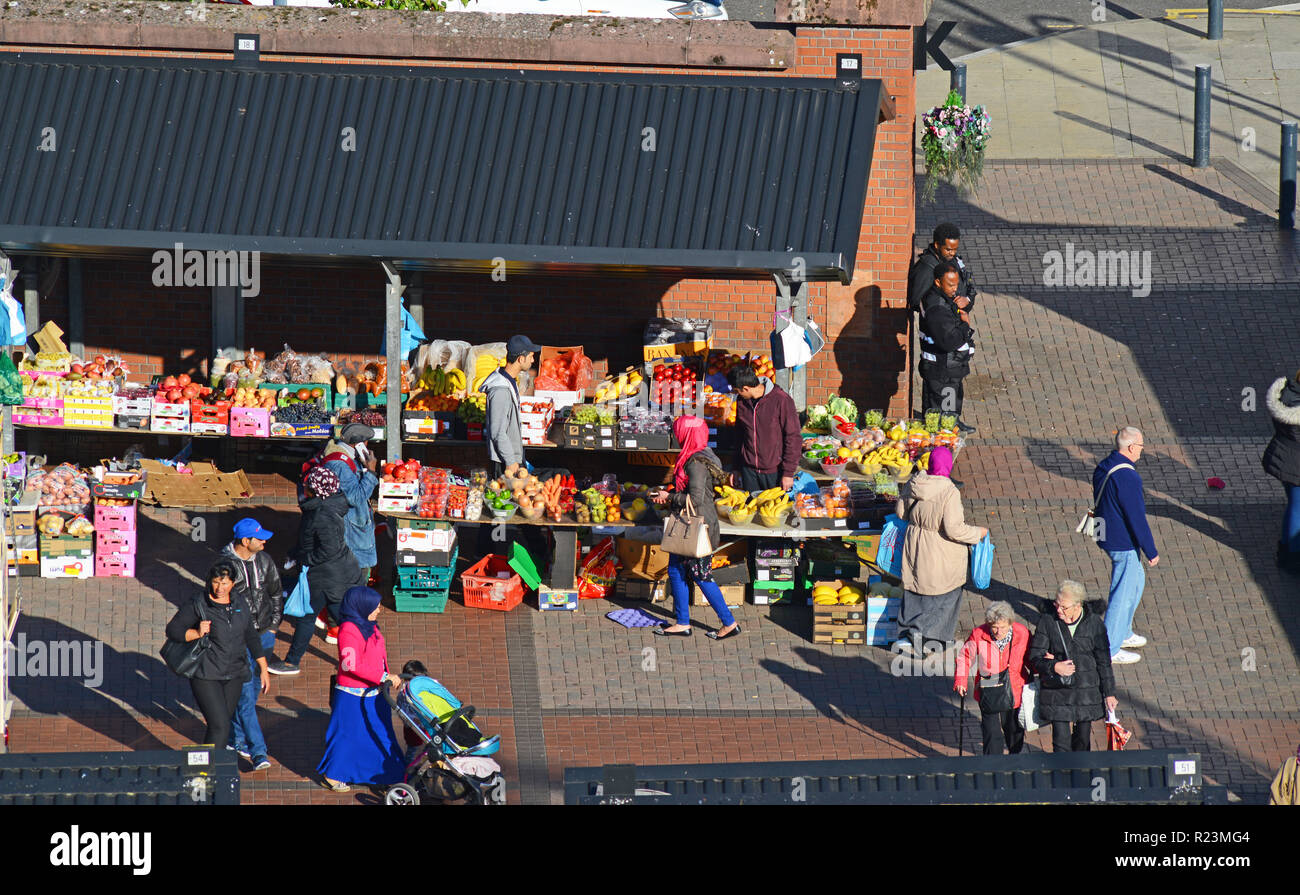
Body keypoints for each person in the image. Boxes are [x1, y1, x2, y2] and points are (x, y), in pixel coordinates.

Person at [268, 467, 366, 675]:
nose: (304, 487)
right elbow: (312, 541)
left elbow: (328, 549)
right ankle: (364, 655)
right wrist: (296, 553)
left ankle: (292, 662)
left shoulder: (322, 514)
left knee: (308, 616)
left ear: (315, 489)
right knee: (344, 619)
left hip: (326, 576)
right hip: (337, 574)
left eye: (307, 485)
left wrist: (305, 560)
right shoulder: (325, 508)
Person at [649, 415, 740, 640]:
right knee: (676, 570)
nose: (676, 436)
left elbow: (696, 498)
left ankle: (729, 622)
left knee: (701, 576)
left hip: (698, 527)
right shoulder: (701, 454)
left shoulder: (695, 462)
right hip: (690, 525)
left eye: (678, 432)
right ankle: (682, 622)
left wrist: (669, 497)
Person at [165, 560, 270, 752]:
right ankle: (207, 772)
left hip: (235, 673)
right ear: (209, 582)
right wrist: (196, 633)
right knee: (220, 725)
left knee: (221, 726)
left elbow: (251, 635)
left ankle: (208, 767)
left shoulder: (240, 602)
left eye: (225, 583)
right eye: (216, 582)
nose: (219, 588)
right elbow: (173, 630)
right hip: (207, 674)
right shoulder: (199, 604)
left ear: (233, 584)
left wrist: (262, 667)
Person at [892, 445, 987, 654]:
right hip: (940, 550)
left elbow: (901, 512)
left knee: (915, 589)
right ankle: (927, 640)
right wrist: (978, 533)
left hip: (915, 545)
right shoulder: (949, 491)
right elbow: (953, 529)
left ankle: (904, 637)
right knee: (944, 594)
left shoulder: (915, 482)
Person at [318, 586, 405, 792]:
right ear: (362, 606)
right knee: (347, 737)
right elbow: (351, 665)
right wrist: (384, 676)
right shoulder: (349, 629)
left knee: (381, 733)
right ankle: (332, 776)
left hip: (375, 692)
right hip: (352, 696)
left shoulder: (370, 625)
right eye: (375, 606)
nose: (379, 609)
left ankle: (389, 774)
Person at [1092, 426, 1159, 665]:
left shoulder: (1105, 465)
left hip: (1106, 533)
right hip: (1123, 541)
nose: (1142, 450)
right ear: (1131, 447)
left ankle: (1124, 632)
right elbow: (1136, 517)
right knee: (1122, 593)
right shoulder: (1128, 476)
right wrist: (1150, 550)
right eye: (1141, 446)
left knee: (1136, 580)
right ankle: (1109, 648)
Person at [221, 517, 282, 771]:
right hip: (240, 639)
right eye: (260, 538)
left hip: (264, 635)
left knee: (253, 688)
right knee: (246, 696)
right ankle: (258, 751)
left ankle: (236, 737)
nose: (265, 541)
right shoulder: (224, 568)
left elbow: (276, 592)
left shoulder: (265, 560)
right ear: (245, 541)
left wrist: (273, 625)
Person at [1027, 580, 1117, 753]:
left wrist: (1109, 693)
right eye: (1056, 605)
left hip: (1086, 692)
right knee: (1060, 744)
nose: (1059, 610)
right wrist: (1054, 666)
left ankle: (1080, 777)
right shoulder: (1048, 621)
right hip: (1057, 692)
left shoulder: (1094, 624)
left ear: (1078, 605)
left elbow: (1103, 661)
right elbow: (1035, 657)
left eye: (1064, 607)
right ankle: (1062, 777)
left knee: (1082, 742)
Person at [954, 601, 1032, 755]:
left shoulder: (1022, 633)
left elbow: (1031, 657)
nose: (998, 631)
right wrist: (961, 681)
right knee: (991, 732)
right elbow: (965, 657)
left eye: (1002, 627)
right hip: (989, 686)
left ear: (1010, 624)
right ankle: (993, 766)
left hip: (1014, 687)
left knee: (1013, 729)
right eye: (994, 627)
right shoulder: (979, 634)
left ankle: (1014, 759)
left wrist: (1043, 671)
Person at [312, 422, 381, 580]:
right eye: (366, 442)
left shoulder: (347, 458)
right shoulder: (339, 464)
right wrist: (371, 471)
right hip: (352, 534)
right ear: (359, 444)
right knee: (356, 581)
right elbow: (355, 497)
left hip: (352, 529)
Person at [917, 262, 976, 433]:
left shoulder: (944, 298)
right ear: (937, 282)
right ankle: (943, 443)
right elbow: (948, 341)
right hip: (942, 370)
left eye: (956, 284)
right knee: (941, 413)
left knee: (951, 405)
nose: (954, 289)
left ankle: (953, 423)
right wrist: (965, 326)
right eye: (950, 285)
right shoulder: (936, 307)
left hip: (950, 368)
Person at [727, 363, 801, 492]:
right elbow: (739, 435)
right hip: (749, 471)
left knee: (773, 511)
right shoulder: (741, 402)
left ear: (745, 388)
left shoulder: (781, 400)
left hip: (774, 471)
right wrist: (736, 467)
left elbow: (793, 437)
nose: (736, 394)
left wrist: (788, 473)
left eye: (736, 391)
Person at [482, 334, 540, 479]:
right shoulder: (500, 390)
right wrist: (510, 460)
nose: (533, 360)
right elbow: (498, 432)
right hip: (505, 463)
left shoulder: (509, 381)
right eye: (531, 356)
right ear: (521, 359)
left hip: (512, 458)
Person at [1262, 369, 1300, 572]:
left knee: (1293, 506)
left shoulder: (1286, 396)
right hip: (1297, 466)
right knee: (1297, 509)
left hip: (1282, 458)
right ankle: (1293, 557)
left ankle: (1286, 550)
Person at [908, 222, 977, 314]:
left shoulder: (952, 259)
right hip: (942, 324)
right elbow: (916, 301)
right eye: (948, 249)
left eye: (955, 249)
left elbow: (967, 283)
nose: (952, 253)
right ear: (937, 245)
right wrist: (947, 309)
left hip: (956, 320)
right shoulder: (927, 267)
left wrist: (968, 299)